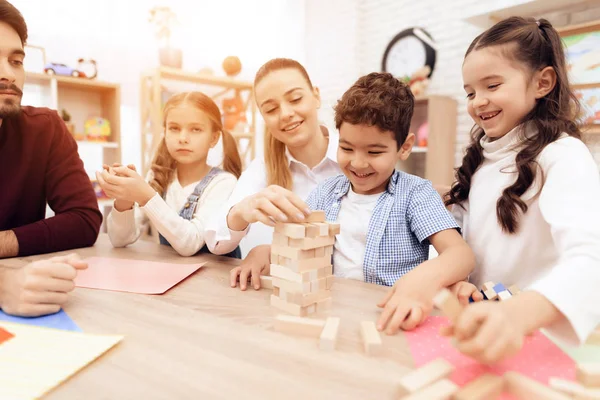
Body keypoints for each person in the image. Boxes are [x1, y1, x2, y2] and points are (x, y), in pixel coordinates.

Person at [443, 16, 600, 364]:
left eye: (492, 85)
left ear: (542, 82)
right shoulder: (481, 160)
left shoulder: (563, 156)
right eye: (470, 92)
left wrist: (518, 314)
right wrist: (460, 284)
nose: (478, 101)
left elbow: (592, 258)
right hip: (483, 332)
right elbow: (469, 252)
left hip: (537, 340)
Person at [303, 72, 474, 334]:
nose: (358, 163)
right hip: (332, 315)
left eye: (374, 152)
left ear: (404, 147)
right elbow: (299, 248)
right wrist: (263, 253)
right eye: (347, 148)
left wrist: (425, 280)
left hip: (392, 318)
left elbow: (460, 255)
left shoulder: (415, 194)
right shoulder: (323, 193)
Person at [205, 58, 342, 287]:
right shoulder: (263, 168)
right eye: (271, 109)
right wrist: (241, 211)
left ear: (316, 96)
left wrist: (272, 252)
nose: (286, 113)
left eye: (295, 99)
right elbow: (216, 242)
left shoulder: (355, 159)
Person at [0, 0, 102, 259]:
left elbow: (84, 219)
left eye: (16, 61)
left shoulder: (43, 129)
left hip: (28, 290)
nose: (8, 74)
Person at [97, 92, 242, 257]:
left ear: (214, 138)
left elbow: (190, 243)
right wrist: (125, 200)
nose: (183, 138)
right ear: (165, 132)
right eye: (174, 128)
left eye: (196, 129)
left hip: (215, 280)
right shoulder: (159, 177)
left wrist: (146, 196)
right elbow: (118, 240)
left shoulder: (224, 182)